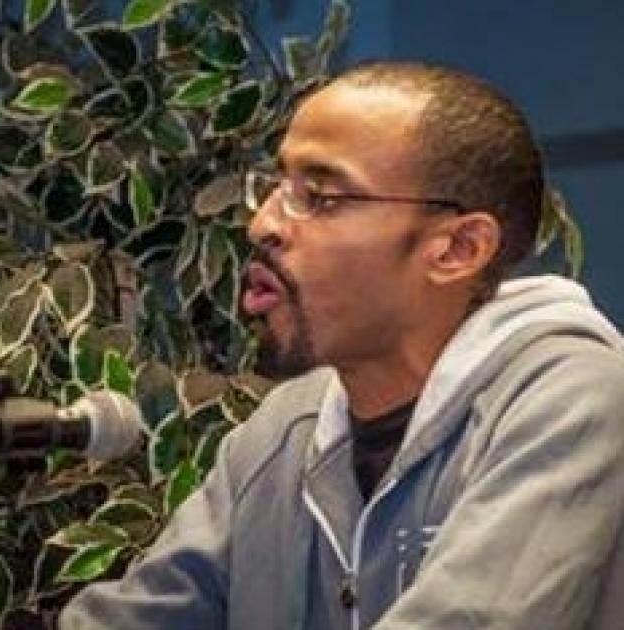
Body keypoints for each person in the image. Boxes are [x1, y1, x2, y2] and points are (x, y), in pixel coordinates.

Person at [60, 61, 624, 629]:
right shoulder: (283, 430)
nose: (263, 224)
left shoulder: (571, 399)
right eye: (277, 187)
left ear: (457, 248)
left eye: (322, 196)